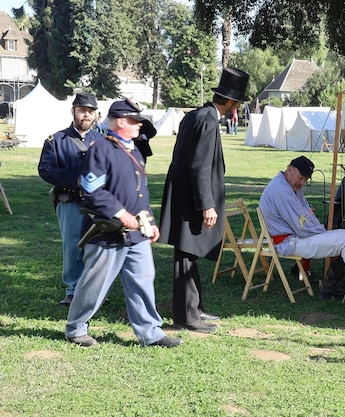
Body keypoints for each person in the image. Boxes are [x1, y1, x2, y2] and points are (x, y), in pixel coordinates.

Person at [65, 98, 182, 348]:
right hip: (107, 232)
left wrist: (148, 221)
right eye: (135, 120)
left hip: (136, 233)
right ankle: (76, 328)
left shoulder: (135, 150)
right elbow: (91, 189)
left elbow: (140, 193)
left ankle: (151, 333)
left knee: (143, 279)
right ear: (120, 122)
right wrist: (121, 213)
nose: (139, 125)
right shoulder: (101, 149)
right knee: (94, 285)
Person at [159, 67, 250, 333]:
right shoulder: (208, 120)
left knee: (190, 254)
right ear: (232, 102)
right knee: (186, 255)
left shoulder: (197, 115)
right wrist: (207, 205)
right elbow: (199, 167)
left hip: (186, 197)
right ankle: (187, 317)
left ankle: (194, 308)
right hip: (192, 201)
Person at [259, 156, 345, 301]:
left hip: (296, 237)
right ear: (289, 170)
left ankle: (338, 288)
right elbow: (302, 227)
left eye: (305, 180)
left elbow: (306, 215)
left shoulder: (288, 185)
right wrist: (323, 233)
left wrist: (318, 229)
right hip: (290, 242)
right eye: (301, 178)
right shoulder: (281, 191)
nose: (302, 183)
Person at [38, 93, 103, 306]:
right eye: (83, 110)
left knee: (96, 247)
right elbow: (46, 169)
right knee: (73, 247)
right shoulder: (56, 140)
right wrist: (75, 181)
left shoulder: (102, 140)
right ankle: (73, 290)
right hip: (71, 202)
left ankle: (95, 291)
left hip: (97, 204)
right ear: (73, 111)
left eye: (90, 112)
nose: (87, 115)